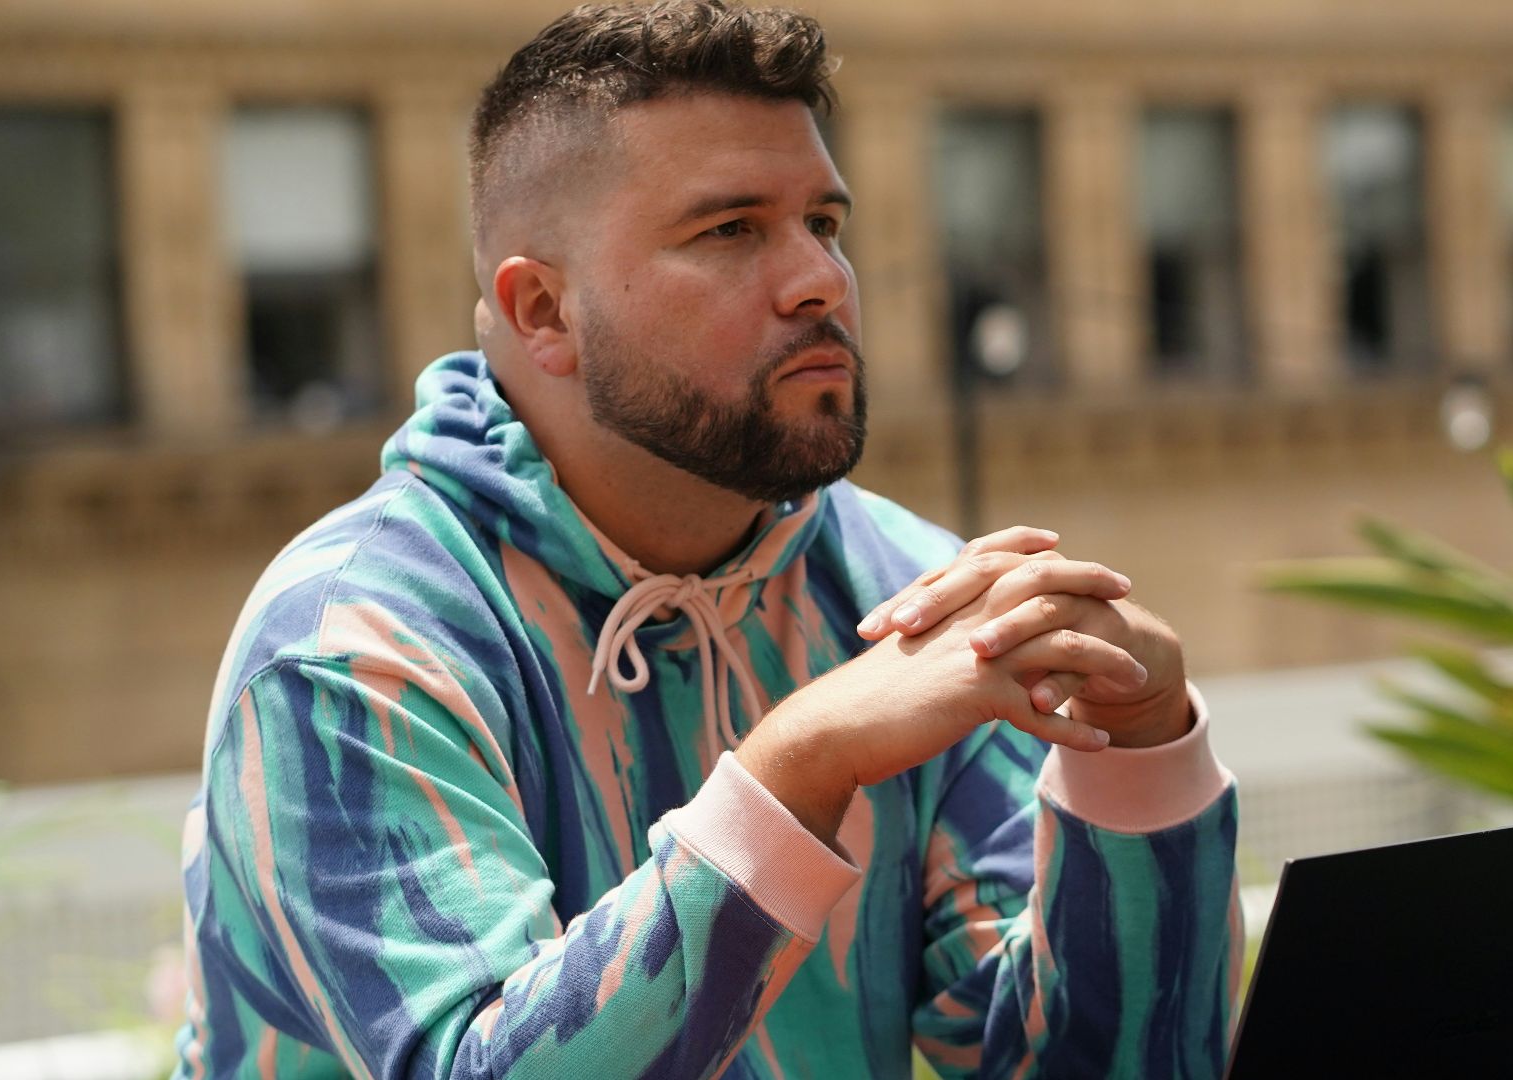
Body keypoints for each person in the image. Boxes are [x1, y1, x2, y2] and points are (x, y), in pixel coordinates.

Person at [173, 2, 1242, 1077]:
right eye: (730, 230)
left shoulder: (909, 597)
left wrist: (1142, 758)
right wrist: (800, 766)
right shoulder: (347, 649)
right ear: (543, 311)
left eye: (824, 222)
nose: (821, 279)